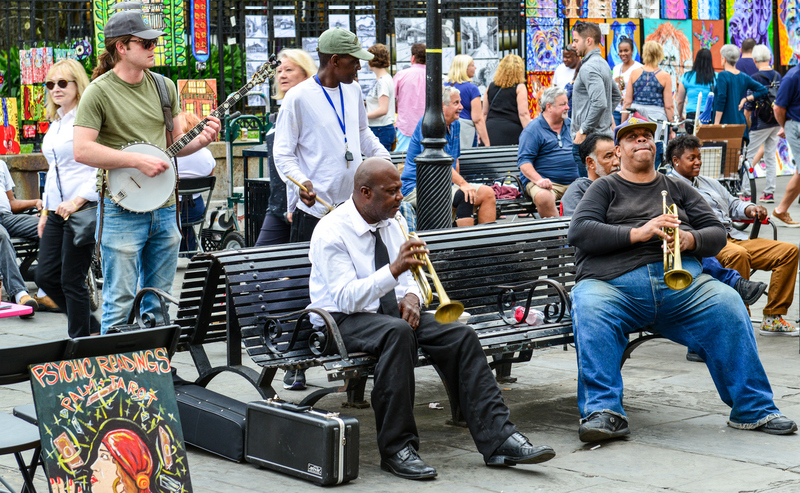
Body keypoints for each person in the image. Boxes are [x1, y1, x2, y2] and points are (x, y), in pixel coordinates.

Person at [308, 157, 555, 479]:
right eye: (392, 191)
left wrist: (411, 295)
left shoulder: (391, 221)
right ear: (365, 193)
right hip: (339, 320)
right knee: (397, 334)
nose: (400, 197)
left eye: (400, 190)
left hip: (386, 314)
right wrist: (394, 271)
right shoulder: (331, 231)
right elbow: (345, 297)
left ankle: (500, 438)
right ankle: (397, 448)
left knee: (460, 334)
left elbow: (409, 279)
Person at [568, 117, 797, 442]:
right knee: (588, 303)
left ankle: (754, 408)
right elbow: (580, 231)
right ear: (617, 151)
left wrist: (690, 241)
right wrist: (638, 232)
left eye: (647, 135)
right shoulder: (603, 187)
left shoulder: (676, 187)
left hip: (682, 285)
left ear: (656, 145)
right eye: (632, 137)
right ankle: (604, 412)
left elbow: (717, 232)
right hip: (613, 286)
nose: (641, 140)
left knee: (727, 301)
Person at [73, 4, 220, 334]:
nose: (155, 48)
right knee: (120, 300)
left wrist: (205, 139)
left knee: (159, 301)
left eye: (155, 43)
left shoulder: (164, 86)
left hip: (166, 207)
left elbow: (177, 144)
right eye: (146, 43)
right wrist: (136, 160)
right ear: (122, 48)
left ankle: (155, 371)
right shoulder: (98, 92)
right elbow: (82, 150)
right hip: (122, 207)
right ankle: (113, 378)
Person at [667, 134, 799, 336]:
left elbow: (733, 203)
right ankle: (739, 318)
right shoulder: (669, 187)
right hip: (708, 243)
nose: (698, 162)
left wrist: (750, 209)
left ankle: (774, 316)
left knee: (788, 251)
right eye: (691, 158)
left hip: (733, 236)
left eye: (698, 157)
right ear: (676, 161)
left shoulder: (708, 182)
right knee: (738, 254)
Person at [273, 28, 390, 244]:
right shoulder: (297, 97)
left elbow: (363, 132)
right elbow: (282, 153)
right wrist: (301, 182)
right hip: (315, 213)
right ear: (335, 60)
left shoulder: (353, 90)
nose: (359, 66)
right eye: (354, 60)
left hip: (353, 210)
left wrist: (385, 162)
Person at [35, 59, 100, 336]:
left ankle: (80, 342)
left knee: (71, 280)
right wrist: (45, 211)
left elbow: (99, 167)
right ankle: (93, 328)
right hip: (57, 211)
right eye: (51, 84)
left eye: (63, 83)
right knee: (45, 277)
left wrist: (79, 200)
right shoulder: (56, 123)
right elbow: (54, 172)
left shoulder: (84, 121)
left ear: (77, 85)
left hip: (81, 209)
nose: (56, 89)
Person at [401, 86, 496, 227]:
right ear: (442, 106)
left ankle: (486, 246)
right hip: (417, 187)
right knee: (464, 196)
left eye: (460, 102)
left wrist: (459, 185)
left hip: (443, 184)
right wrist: (463, 185)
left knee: (487, 194)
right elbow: (438, 164)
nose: (462, 107)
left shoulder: (455, 124)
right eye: (456, 103)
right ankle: (465, 246)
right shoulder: (428, 124)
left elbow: (454, 161)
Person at [255, 49, 317, 247]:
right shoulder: (282, 110)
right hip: (277, 204)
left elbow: (302, 159)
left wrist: (294, 203)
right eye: (279, 71)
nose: (282, 75)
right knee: (259, 263)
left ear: (306, 74)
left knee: (299, 269)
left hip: (302, 204)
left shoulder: (310, 108)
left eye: (289, 70)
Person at [571, 21, 622, 178]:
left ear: (588, 41)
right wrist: (605, 117)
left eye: (576, 40)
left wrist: (583, 129)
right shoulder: (602, 63)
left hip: (589, 140)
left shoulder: (589, 67)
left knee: (590, 191)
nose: (573, 45)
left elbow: (600, 103)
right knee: (604, 189)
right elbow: (616, 96)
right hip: (601, 137)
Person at [517, 86, 578, 218]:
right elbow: (524, 162)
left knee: (599, 190)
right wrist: (539, 180)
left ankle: (581, 232)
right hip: (546, 183)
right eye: (563, 104)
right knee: (544, 197)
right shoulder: (533, 130)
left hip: (574, 182)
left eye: (567, 103)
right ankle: (559, 234)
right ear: (549, 107)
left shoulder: (571, 125)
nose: (568, 107)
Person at [740, 45, 782, 203]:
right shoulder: (777, 75)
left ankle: (746, 192)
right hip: (776, 122)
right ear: (769, 58)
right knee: (770, 156)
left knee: (748, 156)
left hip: (760, 123)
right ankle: (769, 192)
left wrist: (747, 123)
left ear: (755, 60)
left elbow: (749, 107)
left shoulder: (754, 78)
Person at [0, 158, 42, 316]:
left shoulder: (1, 164)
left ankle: (48, 289)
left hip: (7, 217)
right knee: (1, 236)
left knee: (49, 228)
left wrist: (35, 201)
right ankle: (20, 294)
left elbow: (11, 202)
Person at [622, 41, 674, 168]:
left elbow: (627, 101)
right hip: (657, 118)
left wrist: (623, 123)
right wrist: (672, 127)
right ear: (659, 54)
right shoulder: (665, 76)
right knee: (654, 146)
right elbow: (668, 105)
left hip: (636, 114)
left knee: (635, 144)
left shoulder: (634, 73)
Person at [175, 112, 215, 253]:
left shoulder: (171, 155)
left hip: (173, 212)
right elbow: (210, 175)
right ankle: (190, 248)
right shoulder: (206, 155)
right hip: (197, 212)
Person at [713, 44, 767, 143]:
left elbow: (721, 99)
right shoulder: (743, 76)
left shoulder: (723, 75)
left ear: (724, 59)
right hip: (740, 123)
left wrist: (716, 124)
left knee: (723, 156)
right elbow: (763, 89)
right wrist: (746, 99)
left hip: (725, 123)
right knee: (737, 156)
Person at [772, 45, 800, 227]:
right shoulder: (791, 77)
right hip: (795, 125)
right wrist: (786, 126)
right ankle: (781, 209)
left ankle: (781, 210)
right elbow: (778, 108)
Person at [560, 133, 620, 216]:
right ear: (591, 162)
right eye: (608, 156)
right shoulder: (578, 192)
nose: (617, 162)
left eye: (617, 156)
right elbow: (579, 226)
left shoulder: (624, 185)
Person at [483, 54, 530, 146]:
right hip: (511, 131)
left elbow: (484, 113)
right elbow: (523, 114)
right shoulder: (520, 87)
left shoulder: (490, 86)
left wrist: (481, 132)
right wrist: (530, 134)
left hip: (490, 131)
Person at [445, 54, 490, 149]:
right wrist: (487, 144)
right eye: (472, 65)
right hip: (466, 133)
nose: (475, 67)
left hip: (446, 129)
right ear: (465, 68)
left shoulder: (444, 86)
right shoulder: (472, 89)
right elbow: (477, 119)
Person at [393, 43, 426, 152]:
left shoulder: (401, 75)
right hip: (428, 127)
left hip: (405, 127)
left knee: (403, 161)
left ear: (413, 58)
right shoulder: (435, 76)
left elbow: (391, 99)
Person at [676, 48, 716, 135]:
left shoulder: (686, 76)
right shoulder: (716, 77)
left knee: (692, 142)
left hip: (691, 114)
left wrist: (679, 116)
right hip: (709, 115)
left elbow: (680, 101)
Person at [366, 43, 396, 152]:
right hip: (382, 128)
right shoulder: (385, 79)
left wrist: (363, 116)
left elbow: (383, 109)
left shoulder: (382, 82)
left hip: (380, 128)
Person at [611, 38, 642, 126]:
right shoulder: (616, 68)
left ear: (632, 51)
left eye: (626, 50)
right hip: (616, 110)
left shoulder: (638, 68)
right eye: (620, 51)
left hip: (631, 111)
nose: (623, 54)